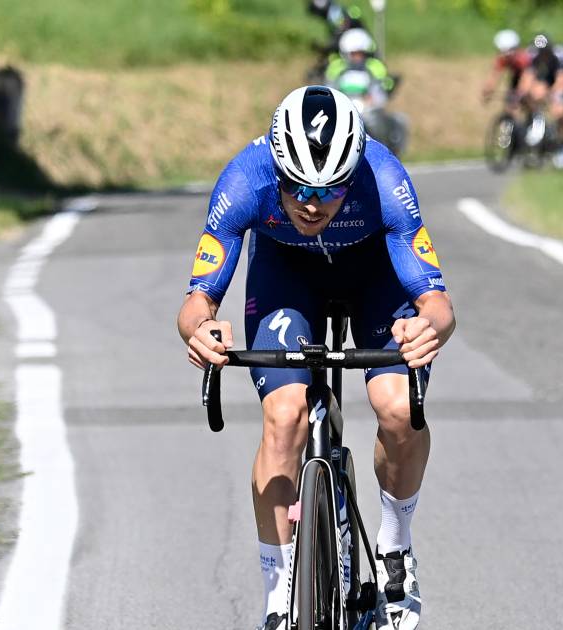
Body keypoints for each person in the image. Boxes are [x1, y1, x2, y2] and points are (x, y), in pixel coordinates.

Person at [177, 85, 453, 630]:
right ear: (277, 168)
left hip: (372, 277)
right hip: (287, 280)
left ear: (353, 174)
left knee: (397, 407)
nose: (311, 203)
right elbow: (196, 302)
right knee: (284, 418)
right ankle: (279, 595)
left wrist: (430, 330)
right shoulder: (245, 179)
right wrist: (200, 330)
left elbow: (437, 303)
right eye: (298, 186)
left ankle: (396, 548)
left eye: (329, 191)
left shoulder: (386, 179)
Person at [518, 33, 563, 167]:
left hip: (560, 80)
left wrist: (552, 93)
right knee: (532, 95)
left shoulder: (560, 55)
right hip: (545, 78)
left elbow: (562, 79)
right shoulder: (533, 55)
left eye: (544, 53)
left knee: (559, 112)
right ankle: (535, 124)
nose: (542, 56)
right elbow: (528, 76)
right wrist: (522, 93)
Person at [481, 29, 530, 115]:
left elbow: (526, 78)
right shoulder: (502, 58)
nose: (501, 55)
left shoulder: (523, 59)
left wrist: (521, 93)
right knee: (510, 105)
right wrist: (488, 90)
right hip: (516, 76)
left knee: (527, 97)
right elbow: (494, 76)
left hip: (529, 75)